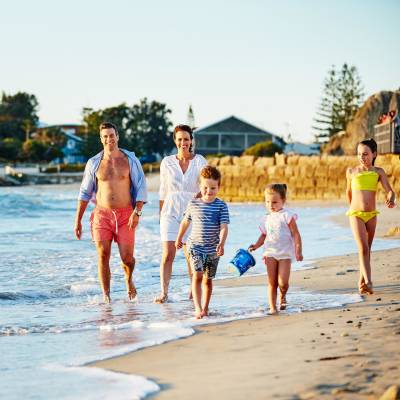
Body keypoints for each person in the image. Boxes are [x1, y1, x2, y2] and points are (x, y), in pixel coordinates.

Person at [74, 122, 147, 303]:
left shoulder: (130, 160)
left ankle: (129, 280)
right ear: (101, 139)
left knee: (127, 258)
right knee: (103, 254)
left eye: (111, 135)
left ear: (117, 136)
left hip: (126, 215)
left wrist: (137, 212)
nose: (109, 139)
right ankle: (106, 296)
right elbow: (84, 193)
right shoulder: (94, 163)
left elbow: (141, 187)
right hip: (102, 215)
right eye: (105, 136)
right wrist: (78, 221)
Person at [154, 124, 207, 303]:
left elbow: (206, 186)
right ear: (175, 140)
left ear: (191, 140)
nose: (183, 142)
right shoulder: (167, 162)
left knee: (191, 255)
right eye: (179, 139)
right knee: (168, 253)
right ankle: (164, 293)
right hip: (170, 212)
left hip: (192, 213)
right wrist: (161, 215)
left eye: (186, 139)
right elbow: (163, 190)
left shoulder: (200, 161)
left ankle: (193, 291)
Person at [175, 165, 229, 319]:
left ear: (218, 187)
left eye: (213, 188)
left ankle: (205, 307)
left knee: (208, 280)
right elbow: (185, 222)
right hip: (195, 247)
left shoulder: (221, 206)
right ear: (200, 186)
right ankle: (198, 308)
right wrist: (179, 238)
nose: (209, 191)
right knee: (197, 275)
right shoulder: (193, 203)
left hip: (213, 248)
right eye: (205, 187)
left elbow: (224, 227)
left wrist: (222, 243)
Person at [345, 138, 395, 295]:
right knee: (363, 248)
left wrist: (391, 198)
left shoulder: (378, 172)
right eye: (359, 154)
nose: (362, 157)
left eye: (365, 154)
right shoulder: (351, 172)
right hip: (356, 215)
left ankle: (361, 283)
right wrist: (353, 207)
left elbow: (389, 190)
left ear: (374, 154)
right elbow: (348, 192)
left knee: (367, 250)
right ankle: (369, 281)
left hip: (371, 215)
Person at [249, 184, 303, 314]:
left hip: (285, 253)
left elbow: (296, 233)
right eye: (267, 202)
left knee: (283, 282)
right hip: (270, 252)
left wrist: (298, 250)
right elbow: (264, 235)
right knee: (272, 282)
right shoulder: (265, 218)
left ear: (283, 201)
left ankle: (283, 295)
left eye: (274, 202)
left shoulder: (287, 215)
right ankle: (272, 307)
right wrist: (256, 245)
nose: (271, 205)